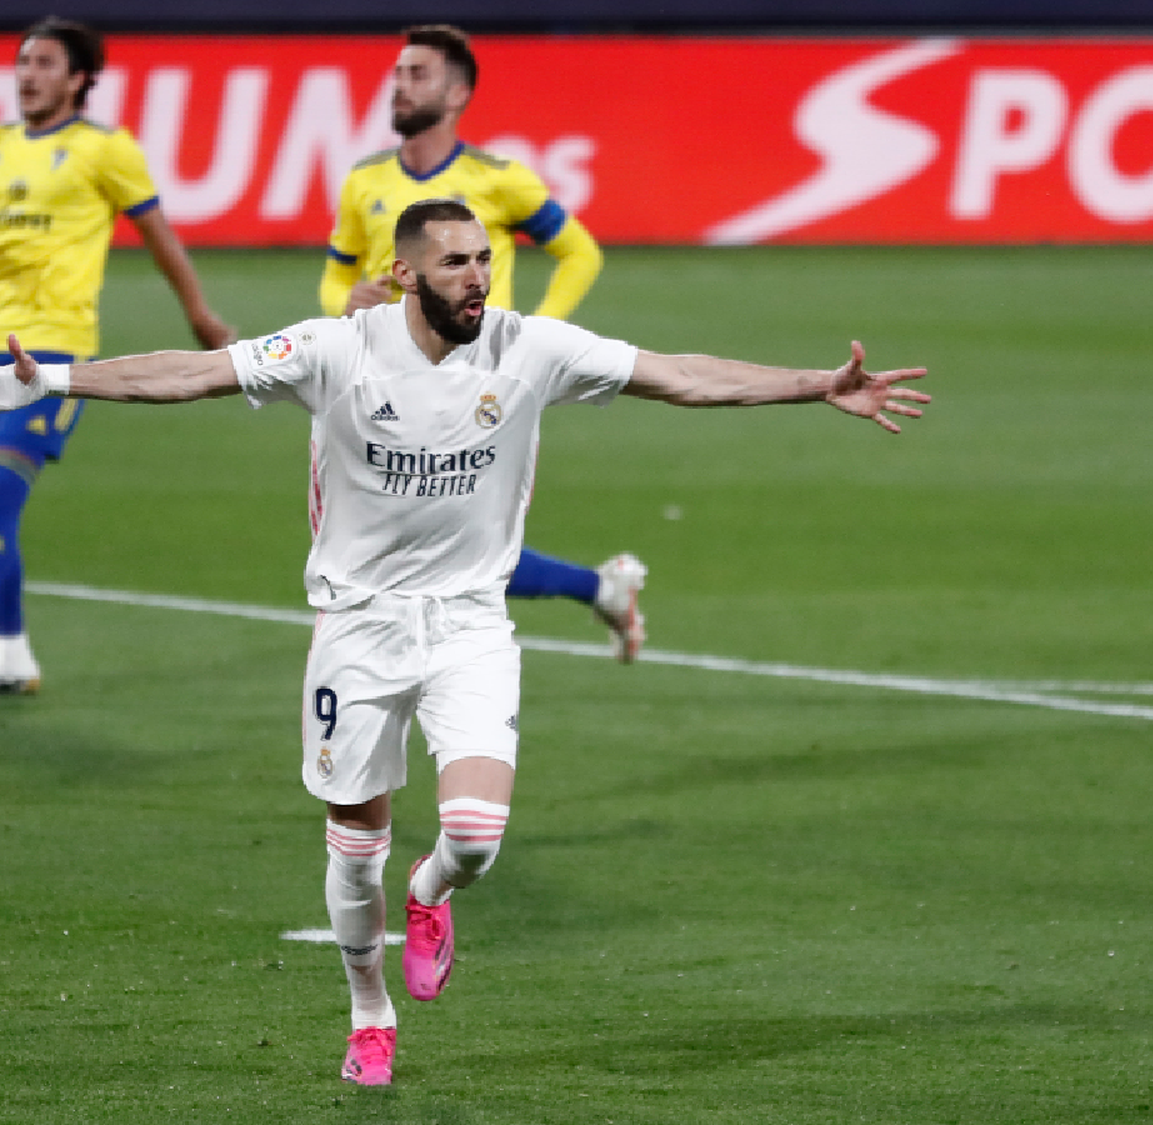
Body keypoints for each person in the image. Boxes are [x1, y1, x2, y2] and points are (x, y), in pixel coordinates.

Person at [1, 197, 929, 1086]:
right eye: (457, 262)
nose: (479, 276)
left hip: (470, 624)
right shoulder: (337, 348)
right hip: (357, 627)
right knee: (353, 851)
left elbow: (680, 374)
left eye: (485, 258)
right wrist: (53, 375)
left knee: (476, 837)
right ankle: (371, 1014)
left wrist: (816, 386)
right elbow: (192, 372)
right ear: (404, 273)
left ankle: (434, 887)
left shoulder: (530, 348)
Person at [321, 24, 646, 662]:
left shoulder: (497, 179)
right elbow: (337, 276)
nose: (400, 85)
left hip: (478, 379)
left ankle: (435, 663)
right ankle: (602, 590)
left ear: (457, 92)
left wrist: (537, 336)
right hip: (388, 373)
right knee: (428, 536)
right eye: (398, 73)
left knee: (433, 539)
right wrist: (345, 301)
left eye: (418, 74)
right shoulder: (365, 181)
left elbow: (579, 252)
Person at [0, 17, 234, 694]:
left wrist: (198, 312)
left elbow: (158, 235)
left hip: (49, 350)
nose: (28, 73)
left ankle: (10, 651)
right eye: (22, 61)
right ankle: (11, 656)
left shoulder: (106, 149)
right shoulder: (5, 145)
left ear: (78, 79)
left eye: (44, 62)